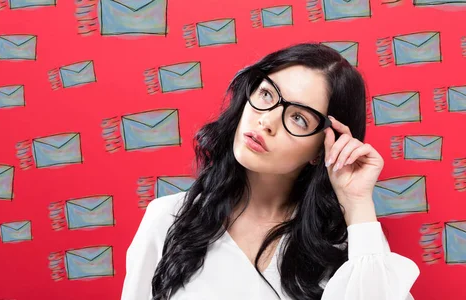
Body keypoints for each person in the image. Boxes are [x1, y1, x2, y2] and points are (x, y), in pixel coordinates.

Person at [120, 43, 420, 300]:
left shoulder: (343, 249)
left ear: (322, 149)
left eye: (299, 118)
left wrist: (357, 204)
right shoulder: (169, 218)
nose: (266, 121)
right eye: (267, 95)